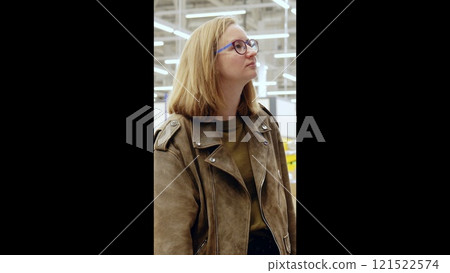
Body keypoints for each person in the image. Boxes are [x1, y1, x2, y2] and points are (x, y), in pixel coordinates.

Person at [153, 16, 296, 255]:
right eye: (238, 46)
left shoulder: (263, 123)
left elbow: (285, 204)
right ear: (208, 62)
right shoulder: (177, 139)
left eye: (250, 44)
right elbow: (170, 240)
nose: (251, 52)